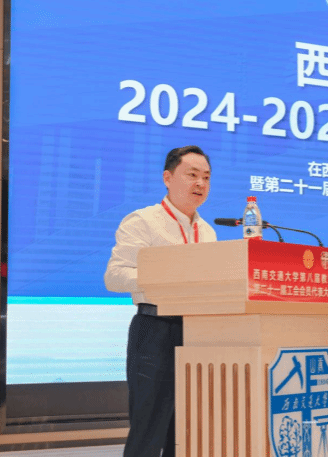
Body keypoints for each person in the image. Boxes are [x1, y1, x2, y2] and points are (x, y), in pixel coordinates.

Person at [104, 146, 216, 457]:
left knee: (187, 431)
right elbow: (114, 276)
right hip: (156, 330)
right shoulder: (143, 221)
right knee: (149, 430)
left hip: (199, 333)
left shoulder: (207, 231)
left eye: (206, 177)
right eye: (192, 175)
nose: (200, 183)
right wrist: (167, 278)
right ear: (168, 178)